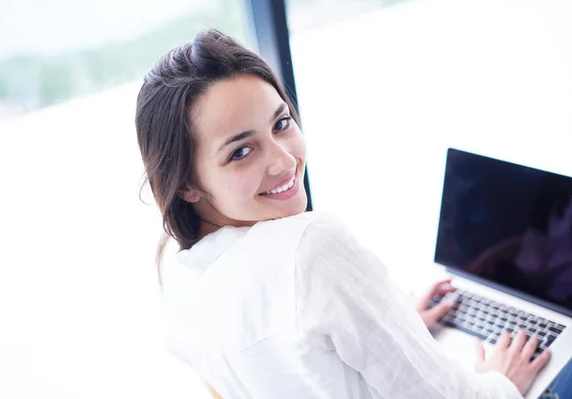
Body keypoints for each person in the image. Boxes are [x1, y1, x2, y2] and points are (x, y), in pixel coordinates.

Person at [134, 29, 551, 398]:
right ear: (187, 184)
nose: (284, 162)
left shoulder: (177, 273)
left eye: (280, 123)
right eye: (241, 152)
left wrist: (387, 323)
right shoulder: (310, 247)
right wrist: (501, 382)